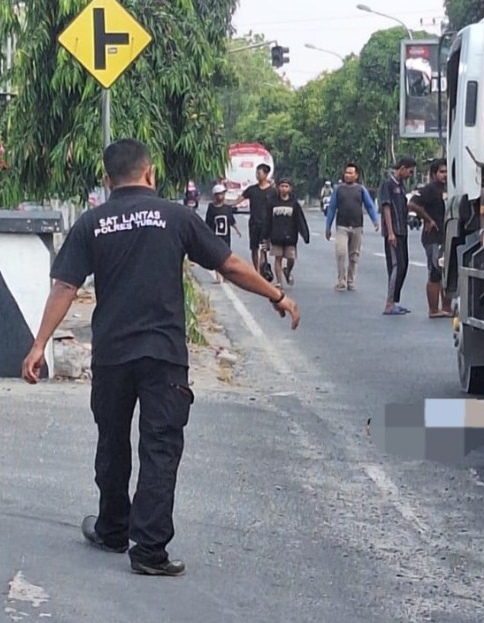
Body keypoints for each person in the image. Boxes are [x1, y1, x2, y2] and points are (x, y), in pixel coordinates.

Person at [20, 139, 300, 577]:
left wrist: (39, 345)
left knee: (112, 443)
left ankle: (113, 529)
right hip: (164, 356)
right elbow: (228, 265)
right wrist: (276, 295)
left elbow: (64, 287)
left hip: (112, 355)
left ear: (108, 180)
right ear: (150, 174)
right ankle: (149, 549)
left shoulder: (92, 222)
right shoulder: (176, 216)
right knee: (160, 448)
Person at [324, 162, 379, 291]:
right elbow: (332, 208)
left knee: (354, 255)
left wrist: (375, 221)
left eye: (351, 173)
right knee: (341, 252)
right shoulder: (338, 189)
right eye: (346, 173)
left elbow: (370, 206)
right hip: (342, 226)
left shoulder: (361, 190)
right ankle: (341, 280)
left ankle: (351, 280)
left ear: (356, 175)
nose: (348, 175)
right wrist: (328, 227)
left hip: (357, 226)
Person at [408, 159, 452, 318]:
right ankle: (433, 309)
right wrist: (428, 219)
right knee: (435, 272)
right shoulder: (429, 189)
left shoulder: (451, 189)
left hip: (448, 235)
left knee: (448, 272)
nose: (445, 175)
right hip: (433, 236)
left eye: (447, 171)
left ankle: (446, 307)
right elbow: (412, 204)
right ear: (434, 174)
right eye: (442, 172)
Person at [377, 157, 417, 316]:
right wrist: (390, 232)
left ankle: (395, 301)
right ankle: (389, 303)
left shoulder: (401, 186)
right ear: (402, 168)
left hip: (402, 231)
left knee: (404, 265)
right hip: (393, 232)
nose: (410, 174)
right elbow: (386, 208)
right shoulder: (387, 185)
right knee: (396, 266)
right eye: (410, 171)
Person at [262, 178, 309, 288]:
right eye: (282, 186)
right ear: (278, 188)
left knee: (291, 259)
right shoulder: (272, 203)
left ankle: (287, 270)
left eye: (286, 186)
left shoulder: (294, 204)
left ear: (290, 189)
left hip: (290, 237)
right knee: (277, 258)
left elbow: (300, 220)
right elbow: (268, 221)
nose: (284, 188)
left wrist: (305, 235)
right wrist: (265, 237)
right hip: (276, 237)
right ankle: (279, 282)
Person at [242, 163, 277, 273]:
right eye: (256, 173)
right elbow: (240, 199)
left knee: (264, 247)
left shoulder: (273, 191)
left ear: (266, 174)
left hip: (267, 224)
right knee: (254, 248)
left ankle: (262, 268)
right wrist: (228, 205)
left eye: (259, 173)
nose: (257, 175)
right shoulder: (252, 190)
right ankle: (256, 270)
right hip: (254, 223)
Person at [204, 183, 242, 284]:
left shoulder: (227, 208)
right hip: (215, 236)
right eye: (219, 194)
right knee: (217, 256)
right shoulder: (211, 207)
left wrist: (237, 230)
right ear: (215, 195)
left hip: (226, 236)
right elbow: (208, 222)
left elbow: (231, 220)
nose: (221, 196)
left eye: (223, 194)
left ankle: (226, 276)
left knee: (226, 256)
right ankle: (218, 277)